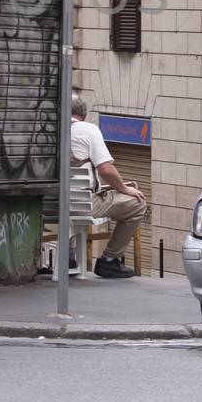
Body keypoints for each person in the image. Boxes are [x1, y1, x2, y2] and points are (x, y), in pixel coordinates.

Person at [71, 93, 147, 279]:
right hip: (83, 204)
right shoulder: (88, 130)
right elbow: (105, 169)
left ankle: (68, 257)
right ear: (84, 114)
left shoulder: (50, 128)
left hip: (51, 203)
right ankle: (109, 260)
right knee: (137, 203)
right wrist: (123, 188)